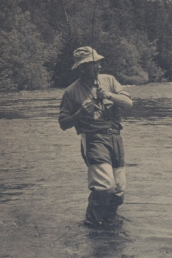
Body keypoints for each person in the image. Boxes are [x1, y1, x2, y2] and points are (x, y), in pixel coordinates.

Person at [58, 46, 133, 227]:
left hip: (116, 138)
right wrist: (80, 113)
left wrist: (109, 95)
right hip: (93, 139)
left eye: (99, 62)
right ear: (82, 68)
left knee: (118, 189)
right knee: (104, 186)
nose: (99, 67)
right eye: (94, 64)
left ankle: (109, 222)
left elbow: (129, 103)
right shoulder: (71, 92)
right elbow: (63, 123)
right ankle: (91, 224)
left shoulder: (109, 80)